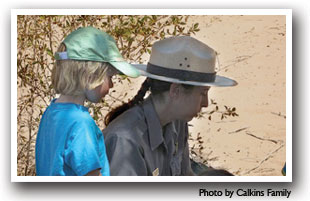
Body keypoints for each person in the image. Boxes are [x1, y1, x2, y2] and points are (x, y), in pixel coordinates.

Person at [103, 36, 237, 176]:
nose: (206, 103)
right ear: (176, 91)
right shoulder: (125, 140)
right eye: (203, 93)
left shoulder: (177, 121)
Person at [35, 26, 140, 176]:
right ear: (91, 74)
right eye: (110, 77)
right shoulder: (81, 123)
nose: (111, 85)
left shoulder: (51, 112)